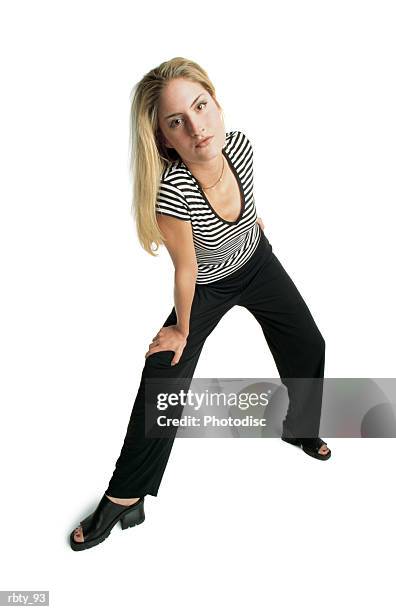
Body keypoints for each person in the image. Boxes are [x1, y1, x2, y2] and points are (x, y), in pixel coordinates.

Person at [70, 57, 331, 552]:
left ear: (216, 102)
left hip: (256, 258)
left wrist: (262, 251)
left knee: (308, 340)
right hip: (208, 285)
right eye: (177, 122)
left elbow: (250, 208)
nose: (197, 126)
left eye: (200, 106)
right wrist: (182, 330)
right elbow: (186, 270)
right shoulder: (173, 189)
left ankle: (300, 429)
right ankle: (125, 497)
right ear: (165, 138)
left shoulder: (240, 146)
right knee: (163, 376)